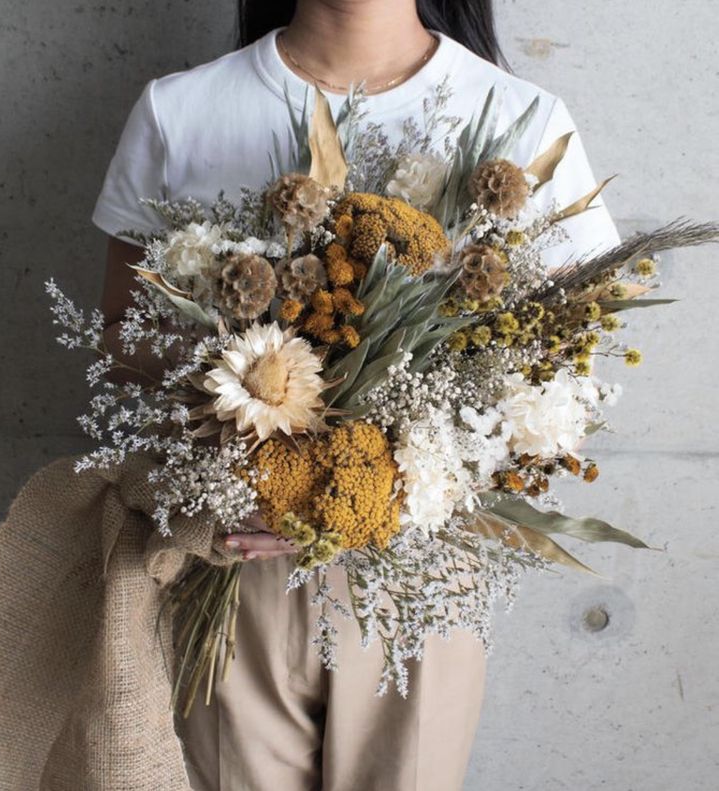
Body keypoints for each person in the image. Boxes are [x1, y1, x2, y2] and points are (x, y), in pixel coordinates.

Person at [93, 2, 622, 789]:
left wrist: (396, 489)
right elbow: (119, 336)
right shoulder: (182, 109)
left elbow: (568, 369)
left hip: (417, 576)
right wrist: (244, 400)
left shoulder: (518, 118)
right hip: (232, 559)